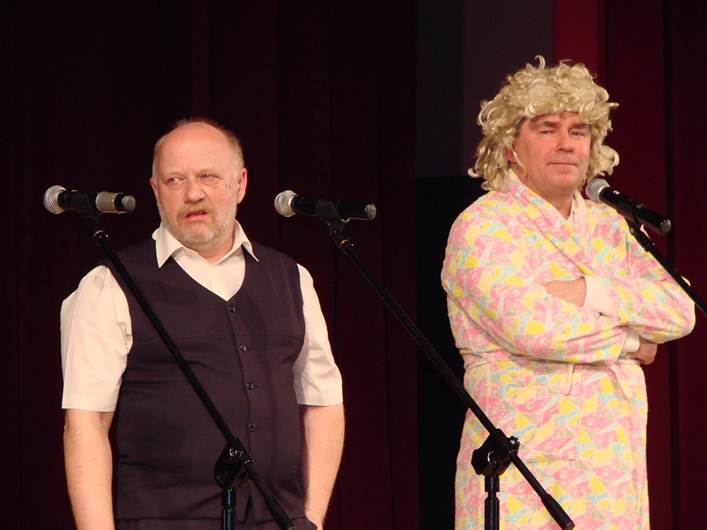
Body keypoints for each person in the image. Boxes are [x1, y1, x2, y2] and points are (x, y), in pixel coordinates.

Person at [442, 57, 695, 529]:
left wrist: (588, 291)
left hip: (611, 465)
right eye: (547, 129)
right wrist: (631, 341)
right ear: (510, 146)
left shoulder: (611, 224)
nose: (566, 143)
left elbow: (680, 308)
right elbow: (532, 327)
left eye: (578, 131)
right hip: (524, 462)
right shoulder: (484, 225)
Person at [61, 118, 345, 530]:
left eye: (208, 176)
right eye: (174, 180)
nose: (192, 193)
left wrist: (311, 518)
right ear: (155, 191)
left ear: (240, 184)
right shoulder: (109, 284)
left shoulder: (291, 278)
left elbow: (323, 401)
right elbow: (85, 423)